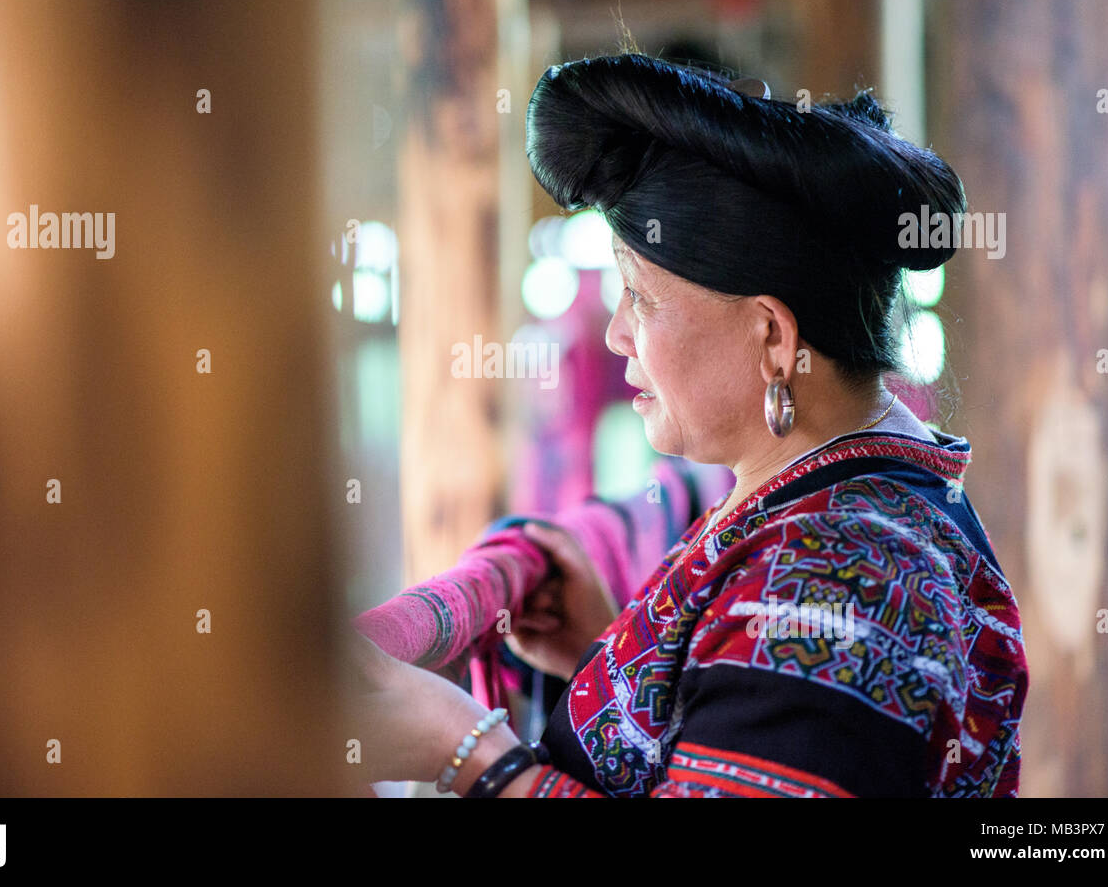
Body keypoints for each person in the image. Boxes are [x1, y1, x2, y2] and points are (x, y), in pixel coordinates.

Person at [350, 52, 1028, 797]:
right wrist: (612, 659)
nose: (615, 333)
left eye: (639, 296)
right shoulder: (843, 514)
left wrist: (470, 751)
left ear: (772, 336)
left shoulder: (839, 575)